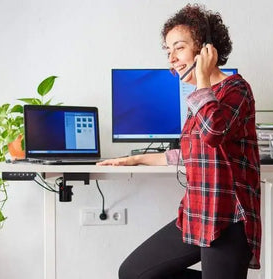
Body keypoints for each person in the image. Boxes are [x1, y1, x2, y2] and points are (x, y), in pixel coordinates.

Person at [98, 4, 261, 279]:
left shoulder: (236, 89)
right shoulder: (202, 95)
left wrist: (202, 81)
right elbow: (189, 153)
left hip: (228, 217)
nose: (172, 58)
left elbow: (214, 134)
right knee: (133, 273)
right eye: (168, 50)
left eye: (179, 47)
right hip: (198, 213)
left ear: (206, 49)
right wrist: (135, 159)